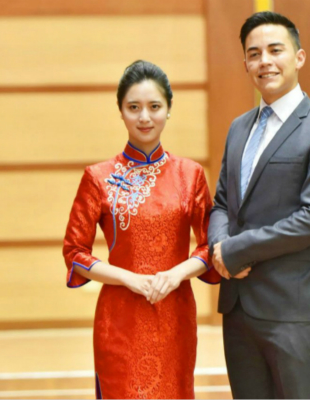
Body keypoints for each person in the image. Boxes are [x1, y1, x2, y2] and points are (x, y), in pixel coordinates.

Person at [208, 11, 310, 399]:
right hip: (238, 310)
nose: (264, 61)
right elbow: (222, 203)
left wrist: (238, 249)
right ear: (245, 64)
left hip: (294, 313)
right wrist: (220, 249)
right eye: (254, 54)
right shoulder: (239, 127)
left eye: (275, 50)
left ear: (299, 57)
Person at [63, 60, 221, 399]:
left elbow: (212, 245)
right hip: (120, 319)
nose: (144, 117)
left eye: (154, 107)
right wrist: (128, 278)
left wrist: (176, 274)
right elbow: (74, 253)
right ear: (120, 111)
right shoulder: (98, 177)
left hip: (175, 314)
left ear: (169, 109)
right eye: (133, 107)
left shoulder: (190, 175)